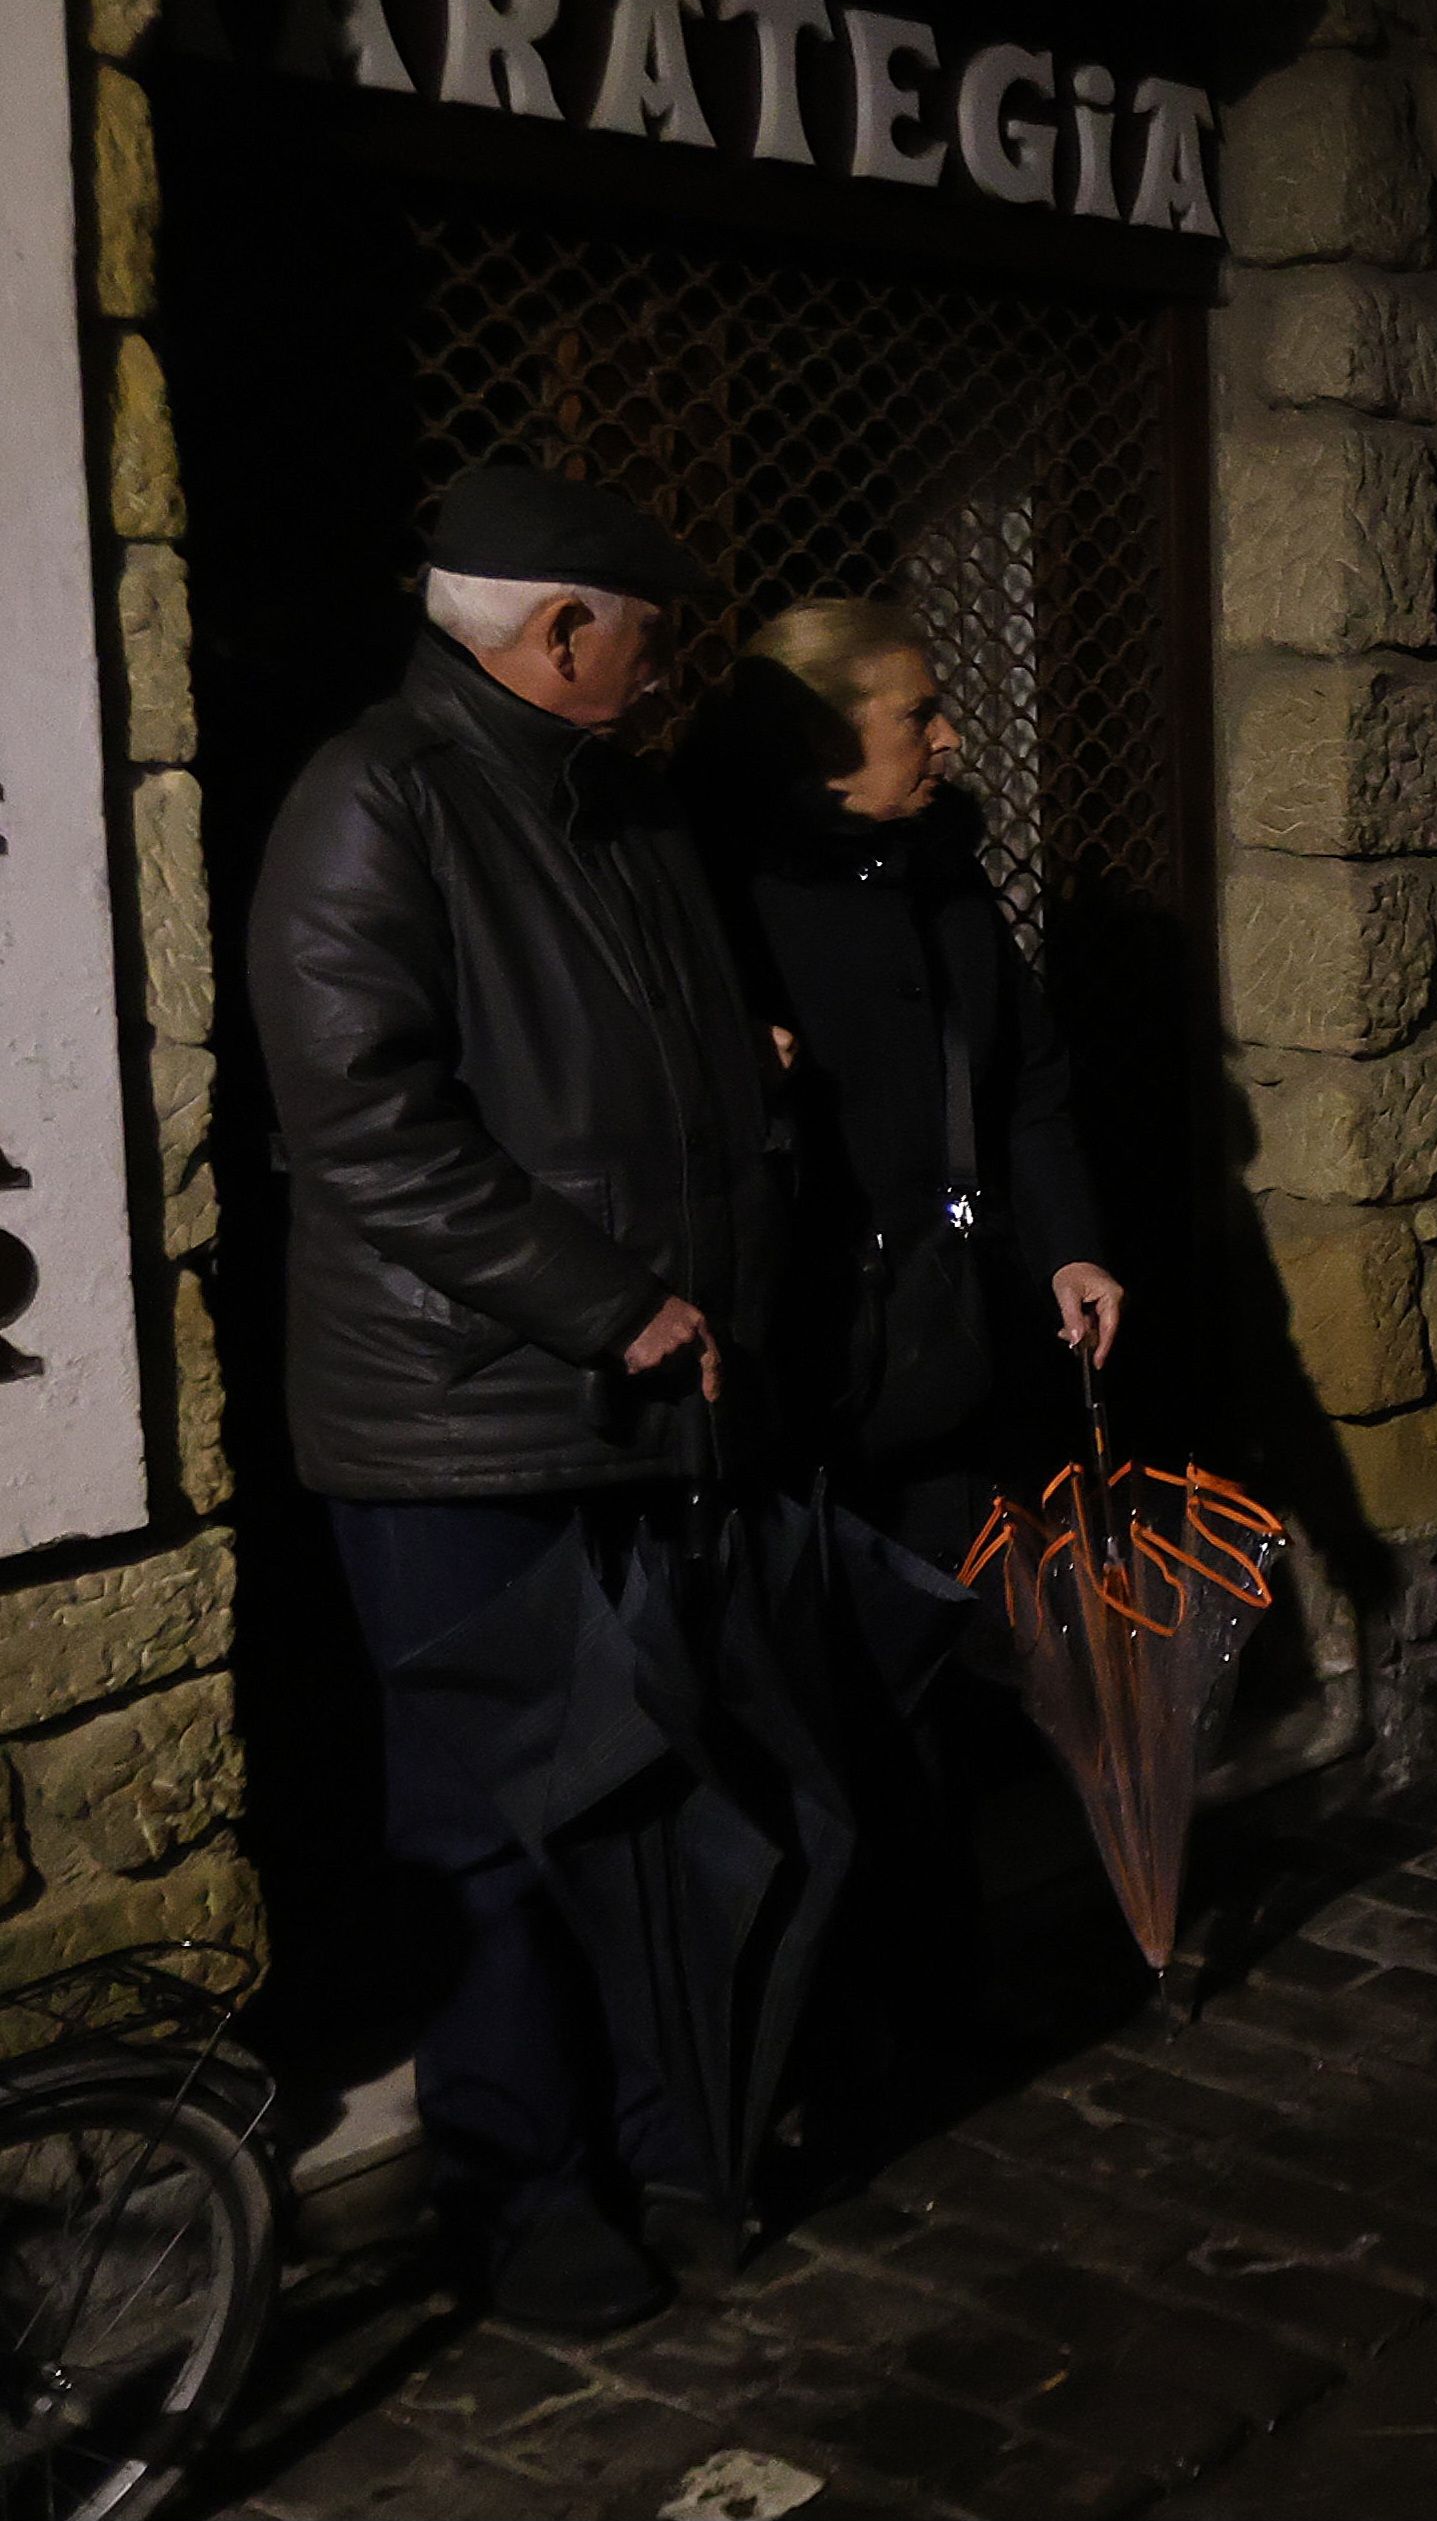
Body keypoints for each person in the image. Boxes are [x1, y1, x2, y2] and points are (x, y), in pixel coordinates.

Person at [247, 462, 787, 2335]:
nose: (657, 675)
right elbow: (365, 1128)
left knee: (629, 1799)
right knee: (483, 1832)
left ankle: (667, 2142)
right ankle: (520, 2198)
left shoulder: (611, 805)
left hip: (631, 1400)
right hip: (462, 1415)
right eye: (642, 640)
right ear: (560, 628)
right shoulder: (376, 797)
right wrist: (614, 1301)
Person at [688, 600, 1123, 1569]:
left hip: (954, 1335)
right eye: (915, 714)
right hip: (807, 1368)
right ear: (818, 734)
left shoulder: (940, 878)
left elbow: (1027, 1083)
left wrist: (1068, 1251)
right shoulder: (717, 900)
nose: (949, 736)